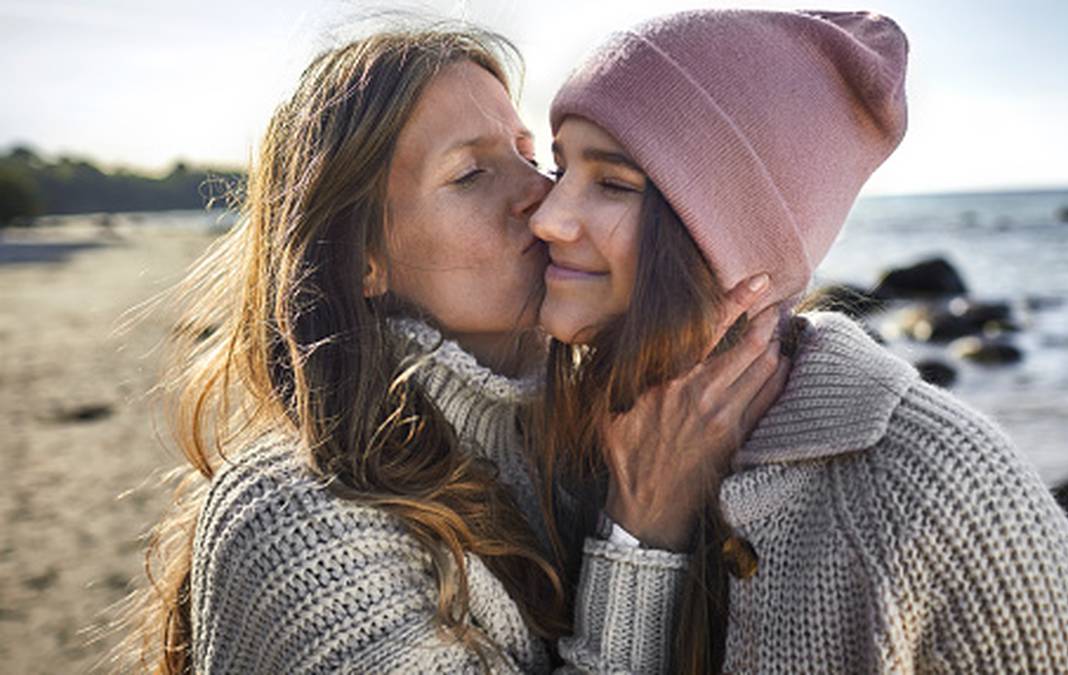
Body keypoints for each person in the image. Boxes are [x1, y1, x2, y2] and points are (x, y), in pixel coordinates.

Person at [121, 26, 786, 674]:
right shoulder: (294, 522)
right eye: (471, 174)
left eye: (531, 156)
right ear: (361, 258)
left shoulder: (593, 444)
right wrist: (640, 535)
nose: (542, 196)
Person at [532, 9, 1068, 673]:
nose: (548, 217)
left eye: (613, 184)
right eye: (561, 171)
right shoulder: (556, 443)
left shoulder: (944, 487)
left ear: (735, 239)